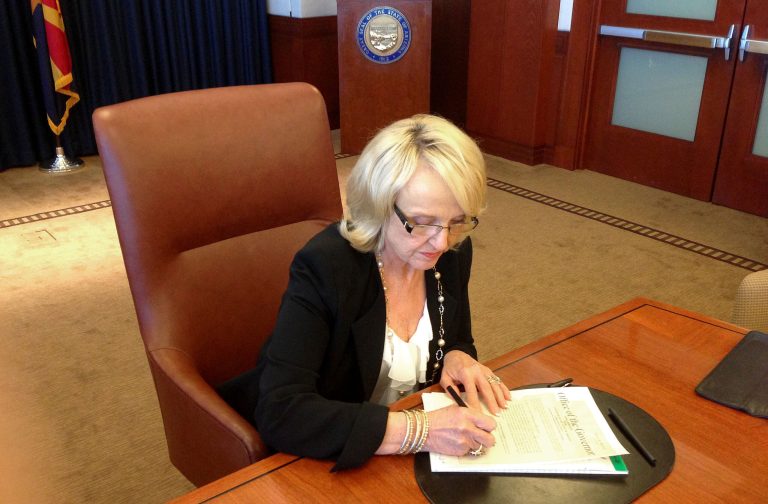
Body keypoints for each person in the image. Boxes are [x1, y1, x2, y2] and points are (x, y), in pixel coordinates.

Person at [220, 114, 510, 471]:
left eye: (457, 221)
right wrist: (419, 430)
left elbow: (456, 337)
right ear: (379, 204)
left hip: (402, 453)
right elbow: (281, 412)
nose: (441, 241)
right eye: (420, 223)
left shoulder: (451, 250)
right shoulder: (325, 266)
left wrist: (458, 356)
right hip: (325, 456)